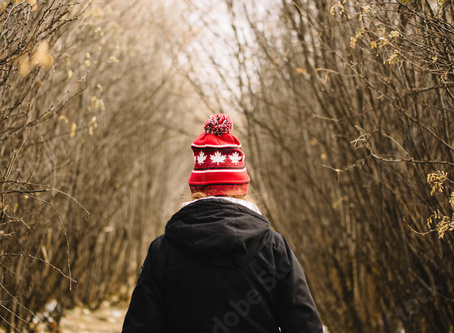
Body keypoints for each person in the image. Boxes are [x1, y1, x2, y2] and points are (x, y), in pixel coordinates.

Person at [122, 114, 323, 333]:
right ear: (242, 188)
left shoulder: (164, 251)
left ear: (196, 190)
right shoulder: (274, 249)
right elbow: (305, 326)